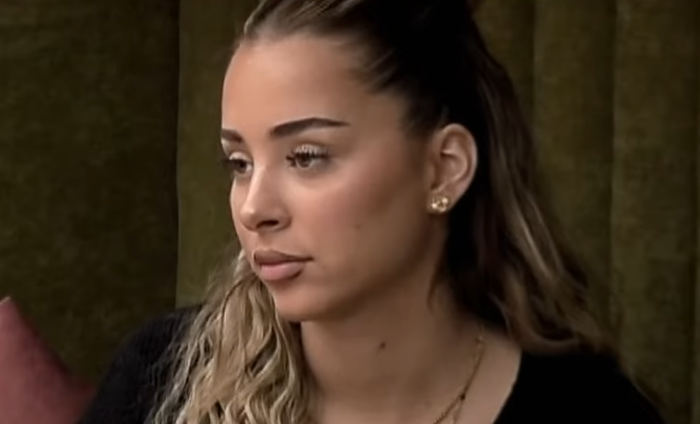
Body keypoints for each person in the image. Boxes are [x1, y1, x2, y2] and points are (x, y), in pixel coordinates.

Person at [78, 0, 666, 423]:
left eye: (306, 157)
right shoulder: (161, 382)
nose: (254, 208)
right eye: (239, 163)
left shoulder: (592, 409)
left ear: (444, 167)